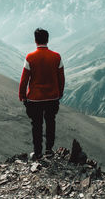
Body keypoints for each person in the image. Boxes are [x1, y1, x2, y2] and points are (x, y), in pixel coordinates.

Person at [19, 28, 65, 160]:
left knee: (36, 125)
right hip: (52, 97)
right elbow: (61, 77)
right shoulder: (56, 57)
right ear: (48, 40)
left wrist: (22, 96)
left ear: (35, 40)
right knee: (51, 122)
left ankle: (37, 152)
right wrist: (59, 92)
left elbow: (24, 80)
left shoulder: (30, 57)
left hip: (35, 98)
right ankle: (49, 150)